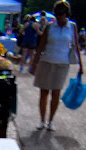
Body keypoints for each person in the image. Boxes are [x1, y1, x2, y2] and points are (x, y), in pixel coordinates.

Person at [31, 0, 83, 131]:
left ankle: (51, 121)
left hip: (62, 63)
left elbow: (76, 46)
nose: (59, 16)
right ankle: (42, 121)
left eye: (61, 13)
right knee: (44, 92)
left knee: (56, 92)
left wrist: (81, 65)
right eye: (57, 14)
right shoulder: (50, 26)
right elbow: (41, 45)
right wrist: (34, 63)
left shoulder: (72, 27)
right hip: (46, 61)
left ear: (66, 13)